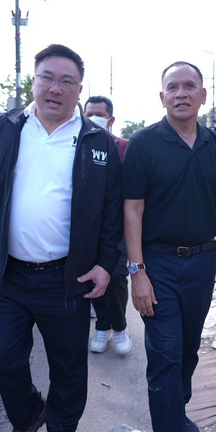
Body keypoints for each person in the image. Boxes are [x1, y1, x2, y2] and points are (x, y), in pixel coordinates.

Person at [0, 44, 122, 432]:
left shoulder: (95, 140)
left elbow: (112, 211)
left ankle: (63, 431)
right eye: (47, 77)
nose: (55, 88)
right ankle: (28, 417)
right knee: (2, 360)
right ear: (34, 80)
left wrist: (105, 265)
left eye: (67, 81)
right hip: (6, 274)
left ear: (80, 90)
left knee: (69, 365)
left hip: (66, 277)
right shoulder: (4, 129)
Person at [121, 61, 216, 432]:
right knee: (165, 356)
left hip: (202, 265)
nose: (181, 93)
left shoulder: (214, 144)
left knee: (187, 351)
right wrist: (137, 272)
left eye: (189, 86)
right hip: (158, 265)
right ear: (161, 96)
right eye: (172, 87)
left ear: (202, 95)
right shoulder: (144, 144)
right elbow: (132, 210)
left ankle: (177, 414)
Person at [83, 95, 132, 355]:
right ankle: (102, 326)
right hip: (88, 227)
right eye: (88, 113)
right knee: (92, 277)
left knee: (116, 277)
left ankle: (121, 326)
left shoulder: (124, 147)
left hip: (119, 225)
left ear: (110, 119)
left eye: (98, 115)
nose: (92, 119)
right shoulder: (76, 144)